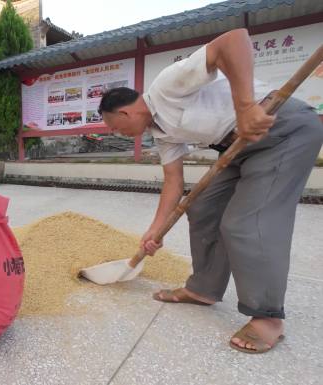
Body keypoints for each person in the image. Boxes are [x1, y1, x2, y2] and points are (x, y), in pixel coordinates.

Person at [98, 28, 323, 354]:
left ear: (125, 112)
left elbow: (234, 40)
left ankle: (268, 317)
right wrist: (156, 230)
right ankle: (204, 288)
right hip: (237, 146)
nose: (119, 133)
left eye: (116, 127)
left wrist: (245, 107)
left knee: (246, 223)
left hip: (279, 127)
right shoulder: (162, 135)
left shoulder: (166, 86)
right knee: (202, 207)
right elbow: (173, 182)